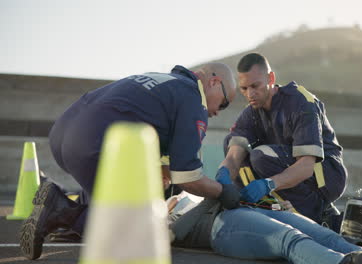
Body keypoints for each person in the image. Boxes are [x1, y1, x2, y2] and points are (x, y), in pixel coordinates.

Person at [19, 63, 241, 260]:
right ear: (214, 82)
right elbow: (188, 178)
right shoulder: (193, 100)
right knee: (140, 231)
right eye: (223, 103)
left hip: (64, 134)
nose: (218, 113)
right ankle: (63, 212)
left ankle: (79, 219)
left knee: (111, 195)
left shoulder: (166, 80)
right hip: (95, 145)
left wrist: (161, 170)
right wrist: (222, 191)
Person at [169, 182, 362, 264]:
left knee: (328, 236)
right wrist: (215, 195)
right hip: (220, 225)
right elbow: (174, 233)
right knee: (288, 239)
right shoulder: (159, 212)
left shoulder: (184, 185)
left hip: (247, 208)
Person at [216, 53, 347, 222]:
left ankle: (317, 215)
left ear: (271, 78)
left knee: (260, 156)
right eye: (244, 88)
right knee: (233, 144)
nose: (250, 94)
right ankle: (263, 208)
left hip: (326, 175)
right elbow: (233, 157)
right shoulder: (251, 113)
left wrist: (268, 184)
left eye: (255, 86)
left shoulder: (301, 103)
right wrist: (222, 180)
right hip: (289, 167)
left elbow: (306, 165)